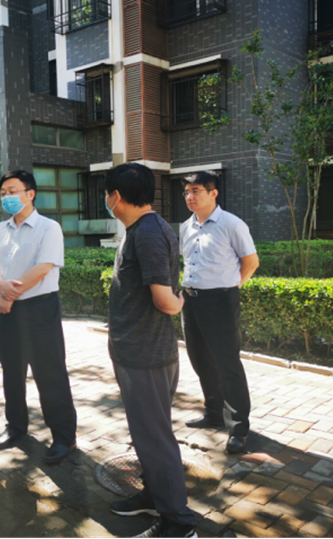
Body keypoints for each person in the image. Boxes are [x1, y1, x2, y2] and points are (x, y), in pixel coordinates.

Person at [104, 163, 197, 539]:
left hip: (146, 355)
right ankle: (155, 495)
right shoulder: (143, 229)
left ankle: (178, 523)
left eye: (107, 194)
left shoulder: (147, 233)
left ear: (116, 197)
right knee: (147, 434)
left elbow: (164, 299)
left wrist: (179, 302)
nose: (107, 200)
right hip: (138, 351)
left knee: (155, 438)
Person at [0, 170, 77, 464]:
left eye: (12, 191)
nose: (7, 197)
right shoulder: (0, 230)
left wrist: (7, 295)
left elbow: (43, 268)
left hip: (39, 310)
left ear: (30, 194)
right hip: (6, 313)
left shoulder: (49, 228)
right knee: (11, 372)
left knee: (50, 374)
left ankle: (64, 437)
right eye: (3, 193)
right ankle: (15, 427)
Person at [180, 171, 259, 455]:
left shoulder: (231, 224)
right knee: (200, 360)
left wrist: (231, 287)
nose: (190, 196)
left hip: (220, 301)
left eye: (196, 191)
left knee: (227, 364)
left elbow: (251, 262)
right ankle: (213, 412)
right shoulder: (186, 227)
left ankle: (238, 428)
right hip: (191, 301)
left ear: (213, 193)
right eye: (187, 192)